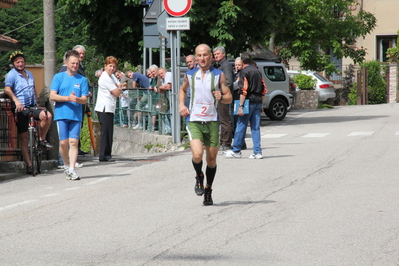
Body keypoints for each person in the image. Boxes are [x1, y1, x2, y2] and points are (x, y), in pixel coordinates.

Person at [179, 44, 232, 205]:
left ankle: (208, 189)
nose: (202, 58)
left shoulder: (219, 75)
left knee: (211, 159)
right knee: (196, 154)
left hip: (212, 121)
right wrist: (182, 105)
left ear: (211, 57)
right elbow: (182, 90)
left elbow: (229, 97)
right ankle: (199, 176)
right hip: (194, 120)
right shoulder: (189, 75)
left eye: (205, 55)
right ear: (196, 58)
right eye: (199, 56)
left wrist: (221, 97)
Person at [4, 50, 53, 175]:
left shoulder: (29, 74)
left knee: (47, 115)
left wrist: (37, 103)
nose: (20, 64)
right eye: (17, 62)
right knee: (24, 138)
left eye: (22, 61)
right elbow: (7, 90)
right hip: (20, 108)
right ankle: (30, 164)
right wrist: (16, 101)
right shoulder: (11, 75)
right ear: (14, 63)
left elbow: (34, 89)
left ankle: (41, 139)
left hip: (32, 106)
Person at [50, 50, 89, 180]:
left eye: (77, 63)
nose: (75, 65)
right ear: (66, 63)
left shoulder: (82, 80)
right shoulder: (58, 77)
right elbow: (52, 95)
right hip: (62, 114)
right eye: (72, 63)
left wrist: (76, 99)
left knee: (73, 142)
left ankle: (72, 168)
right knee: (63, 143)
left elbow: (84, 99)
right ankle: (66, 165)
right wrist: (67, 98)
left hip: (76, 115)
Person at [224, 52, 267, 159]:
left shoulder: (244, 72)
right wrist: (261, 104)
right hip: (257, 101)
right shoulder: (258, 71)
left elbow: (244, 90)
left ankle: (236, 150)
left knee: (241, 125)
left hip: (247, 101)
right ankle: (257, 152)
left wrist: (241, 105)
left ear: (242, 62)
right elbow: (264, 89)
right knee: (255, 128)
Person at [94, 56, 122, 162]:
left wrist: (117, 88)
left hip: (108, 107)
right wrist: (118, 89)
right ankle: (104, 155)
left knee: (109, 131)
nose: (112, 68)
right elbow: (116, 92)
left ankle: (107, 154)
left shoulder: (110, 77)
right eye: (110, 66)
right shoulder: (106, 77)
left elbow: (116, 89)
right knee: (106, 132)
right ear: (105, 66)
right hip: (104, 108)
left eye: (114, 66)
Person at [213, 46, 234, 151]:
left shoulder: (225, 65)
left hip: (224, 96)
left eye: (218, 54)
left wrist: (222, 94)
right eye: (215, 54)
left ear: (223, 54)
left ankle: (226, 143)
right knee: (222, 119)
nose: (216, 56)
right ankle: (223, 142)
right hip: (219, 95)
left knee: (225, 120)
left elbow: (229, 81)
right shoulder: (219, 65)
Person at [232, 57, 246, 150]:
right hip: (234, 99)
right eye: (236, 65)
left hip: (239, 100)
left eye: (239, 65)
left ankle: (241, 143)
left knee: (239, 122)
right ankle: (241, 143)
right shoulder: (235, 73)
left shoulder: (243, 74)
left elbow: (235, 86)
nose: (237, 66)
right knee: (235, 122)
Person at [158, 67, 172, 135]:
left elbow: (168, 86)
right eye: (159, 74)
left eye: (161, 73)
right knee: (168, 114)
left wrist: (159, 87)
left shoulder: (168, 74)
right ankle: (170, 130)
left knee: (170, 114)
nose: (161, 75)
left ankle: (173, 131)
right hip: (170, 101)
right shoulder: (163, 79)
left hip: (175, 99)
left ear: (165, 71)